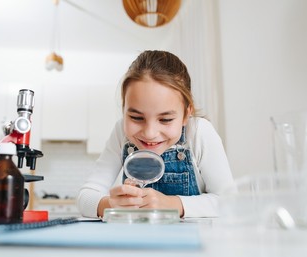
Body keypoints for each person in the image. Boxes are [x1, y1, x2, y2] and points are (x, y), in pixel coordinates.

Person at [76, 50, 234, 218]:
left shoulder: (199, 132)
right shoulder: (120, 133)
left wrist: (174, 204)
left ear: (186, 115)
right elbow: (85, 197)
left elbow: (230, 202)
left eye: (165, 119)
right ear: (123, 110)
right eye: (136, 118)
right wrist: (110, 205)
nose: (150, 133)